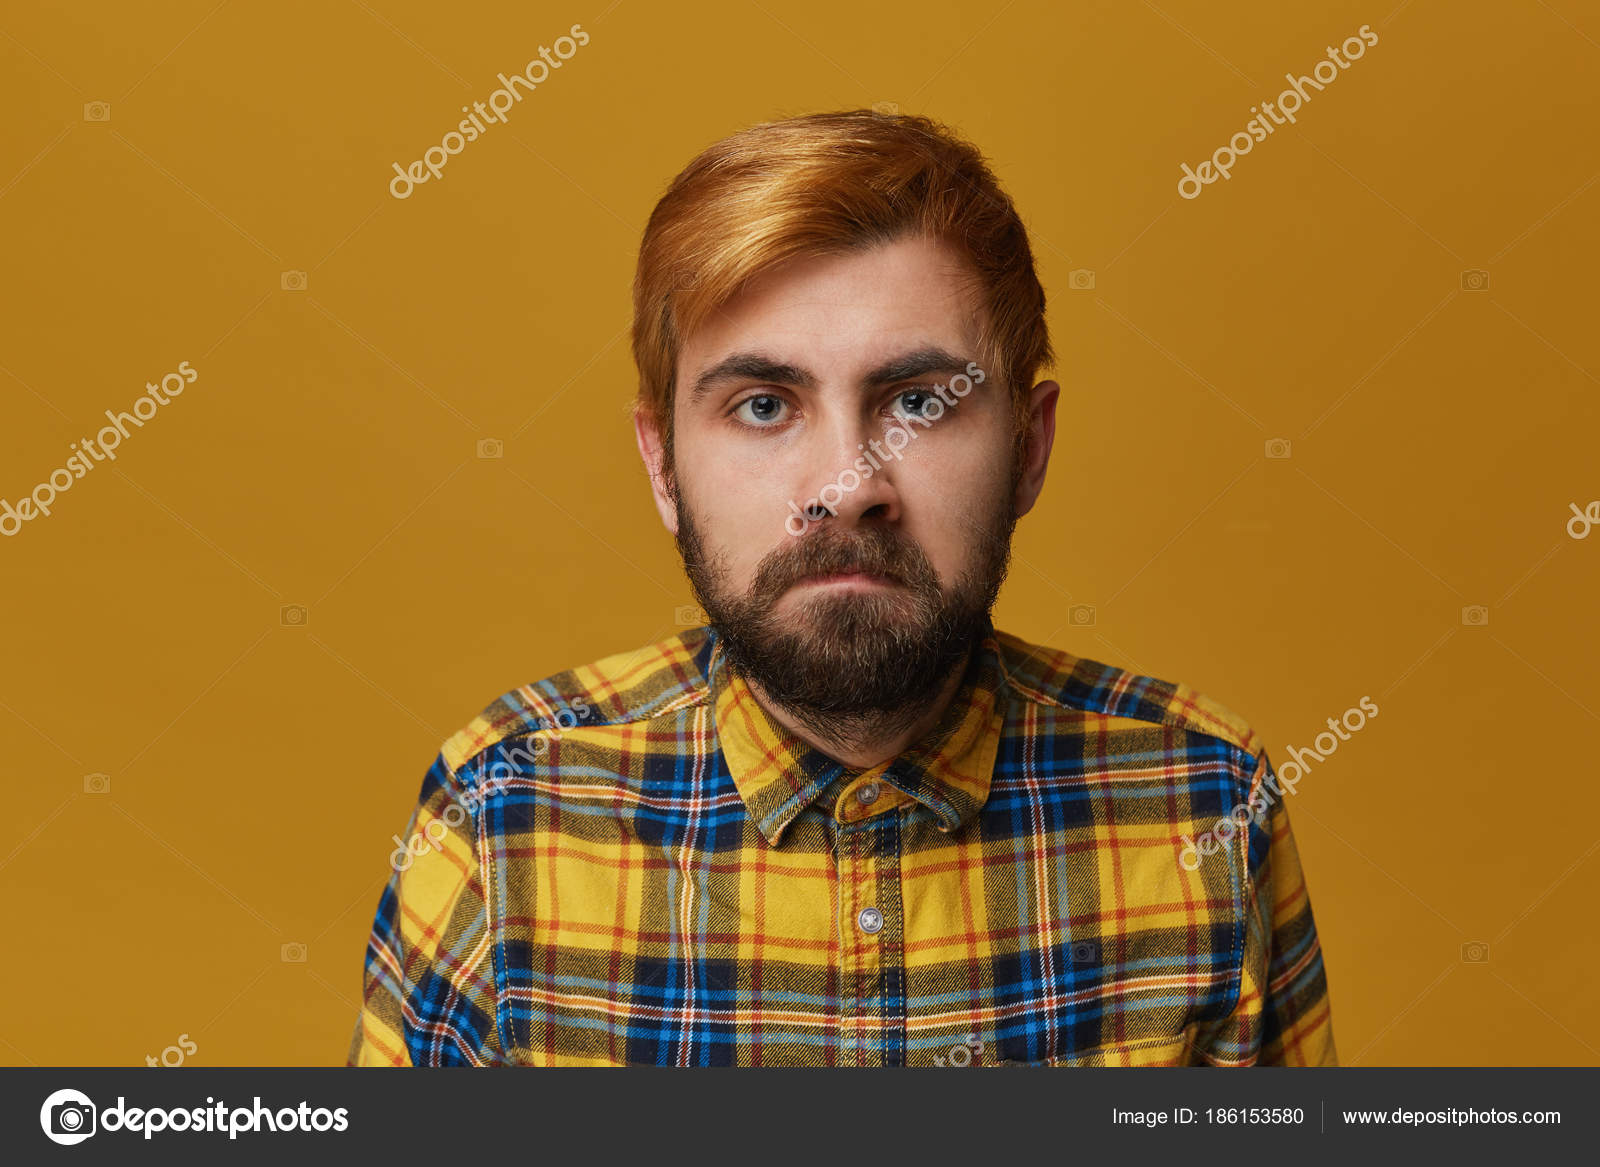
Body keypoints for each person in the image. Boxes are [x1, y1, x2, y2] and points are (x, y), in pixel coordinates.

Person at [347, 109, 1334, 1067]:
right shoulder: (506, 811)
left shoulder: (1203, 799)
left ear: (1028, 448)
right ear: (662, 466)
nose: (846, 487)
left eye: (918, 402)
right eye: (765, 405)